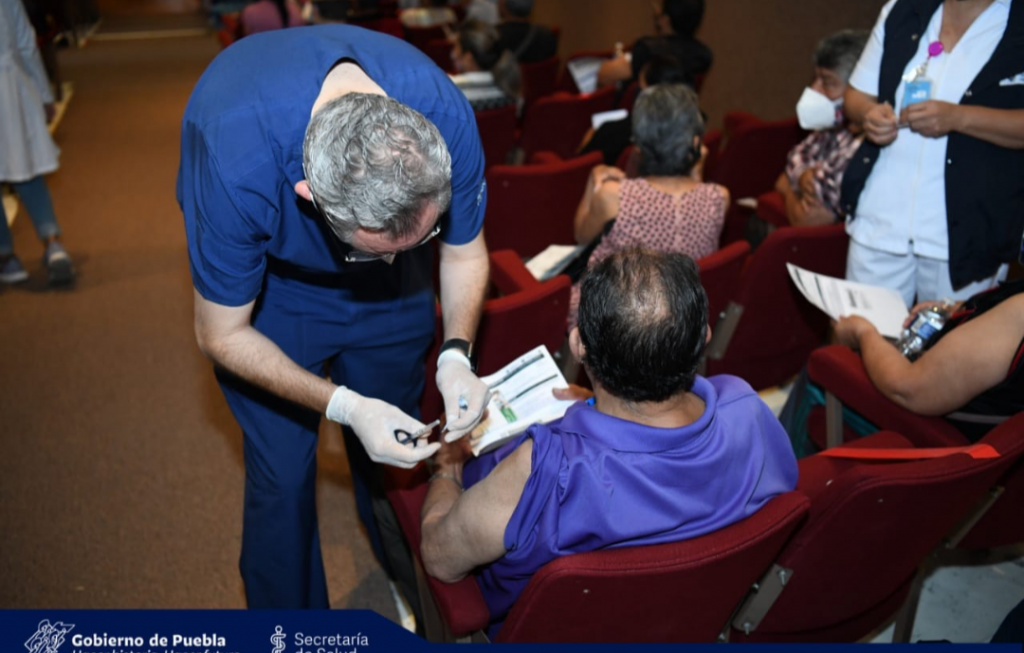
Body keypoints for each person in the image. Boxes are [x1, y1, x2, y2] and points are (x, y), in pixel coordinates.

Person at [176, 25, 492, 610]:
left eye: (418, 236)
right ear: (307, 195)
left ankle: (413, 589)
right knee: (281, 480)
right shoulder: (229, 152)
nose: (398, 257)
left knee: (403, 451)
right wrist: (342, 406)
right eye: (376, 248)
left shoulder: (442, 115)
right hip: (272, 299)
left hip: (391, 301)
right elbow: (219, 332)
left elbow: (466, 252)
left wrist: (455, 351)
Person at [419, 248, 799, 637]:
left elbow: (439, 558)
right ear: (703, 336)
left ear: (579, 344)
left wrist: (447, 470)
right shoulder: (746, 410)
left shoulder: (546, 469)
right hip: (674, 624)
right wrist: (592, 404)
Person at [840, 0, 1024, 308]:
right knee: (863, 342)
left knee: (952, 351)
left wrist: (958, 118)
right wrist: (869, 114)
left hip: (970, 231)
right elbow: (856, 95)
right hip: (881, 219)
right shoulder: (903, 10)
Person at [570, 83, 728, 329]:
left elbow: (580, 236)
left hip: (612, 322)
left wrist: (593, 181)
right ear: (697, 143)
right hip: (681, 326)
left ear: (639, 146)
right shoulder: (719, 198)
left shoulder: (615, 196)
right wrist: (696, 164)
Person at [831, 277, 1024, 442]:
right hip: (985, 442)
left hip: (934, 443)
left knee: (822, 367)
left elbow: (907, 388)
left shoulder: (1018, 313)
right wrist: (954, 308)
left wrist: (863, 333)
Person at [0, 0, 75, 286]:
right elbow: (25, 42)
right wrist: (43, 94)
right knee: (26, 168)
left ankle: (6, 257)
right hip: (9, 86)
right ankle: (53, 243)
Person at [775, 29, 868, 228]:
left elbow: (807, 219)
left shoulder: (865, 146)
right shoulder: (833, 128)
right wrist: (801, 176)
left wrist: (787, 186)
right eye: (815, 79)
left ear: (859, 88)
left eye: (827, 82)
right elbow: (796, 155)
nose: (814, 89)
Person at [578, 54, 693, 166]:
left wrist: (588, 140)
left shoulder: (614, 131)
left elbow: (580, 166)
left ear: (646, 92)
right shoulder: (691, 131)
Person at [596, 0, 711, 90]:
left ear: (665, 20)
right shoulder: (703, 55)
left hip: (645, 117)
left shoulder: (649, 49)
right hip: (682, 117)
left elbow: (604, 75)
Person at [450, 19, 522, 112]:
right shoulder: (511, 88)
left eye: (456, 47)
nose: (452, 54)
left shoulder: (450, 91)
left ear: (468, 58)